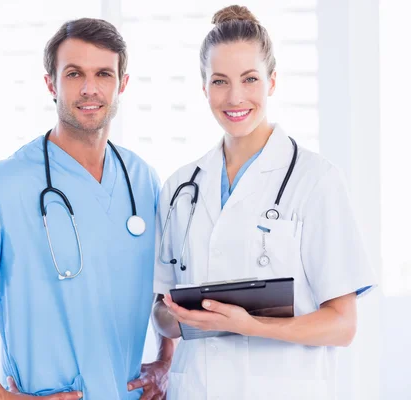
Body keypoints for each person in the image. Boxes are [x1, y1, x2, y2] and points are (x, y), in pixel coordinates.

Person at [0, 18, 172, 400]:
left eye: (103, 74)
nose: (90, 88)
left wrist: (166, 360)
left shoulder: (141, 179)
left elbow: (170, 286)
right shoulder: (2, 187)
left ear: (122, 84)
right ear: (51, 83)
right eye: (74, 73)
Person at [151, 5, 377, 400]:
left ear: (272, 81)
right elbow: (161, 314)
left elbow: (343, 325)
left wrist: (249, 325)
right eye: (220, 81)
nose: (235, 96)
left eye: (249, 79)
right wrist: (179, 317)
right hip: (196, 389)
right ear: (203, 87)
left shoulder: (316, 180)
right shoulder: (179, 188)